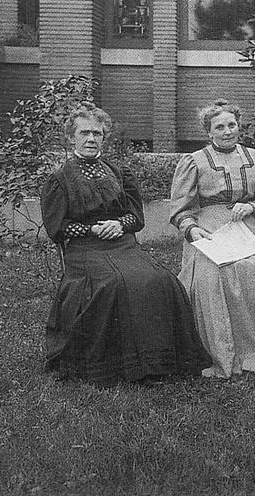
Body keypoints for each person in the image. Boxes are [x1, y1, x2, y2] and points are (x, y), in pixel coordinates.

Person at [41, 102, 211, 385]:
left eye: (97, 133)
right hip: (85, 249)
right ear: (71, 137)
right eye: (84, 133)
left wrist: (119, 224)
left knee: (161, 280)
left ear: (104, 137)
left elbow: (136, 218)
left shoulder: (118, 174)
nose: (91, 139)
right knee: (114, 284)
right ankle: (121, 366)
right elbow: (57, 228)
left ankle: (161, 363)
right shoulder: (60, 180)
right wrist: (93, 227)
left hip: (123, 245)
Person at [170, 99, 255, 379]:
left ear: (239, 126)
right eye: (219, 127)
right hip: (209, 225)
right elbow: (180, 209)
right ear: (208, 132)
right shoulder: (193, 161)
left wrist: (254, 206)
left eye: (231, 125)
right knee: (215, 273)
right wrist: (192, 230)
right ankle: (223, 352)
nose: (227, 131)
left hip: (251, 224)